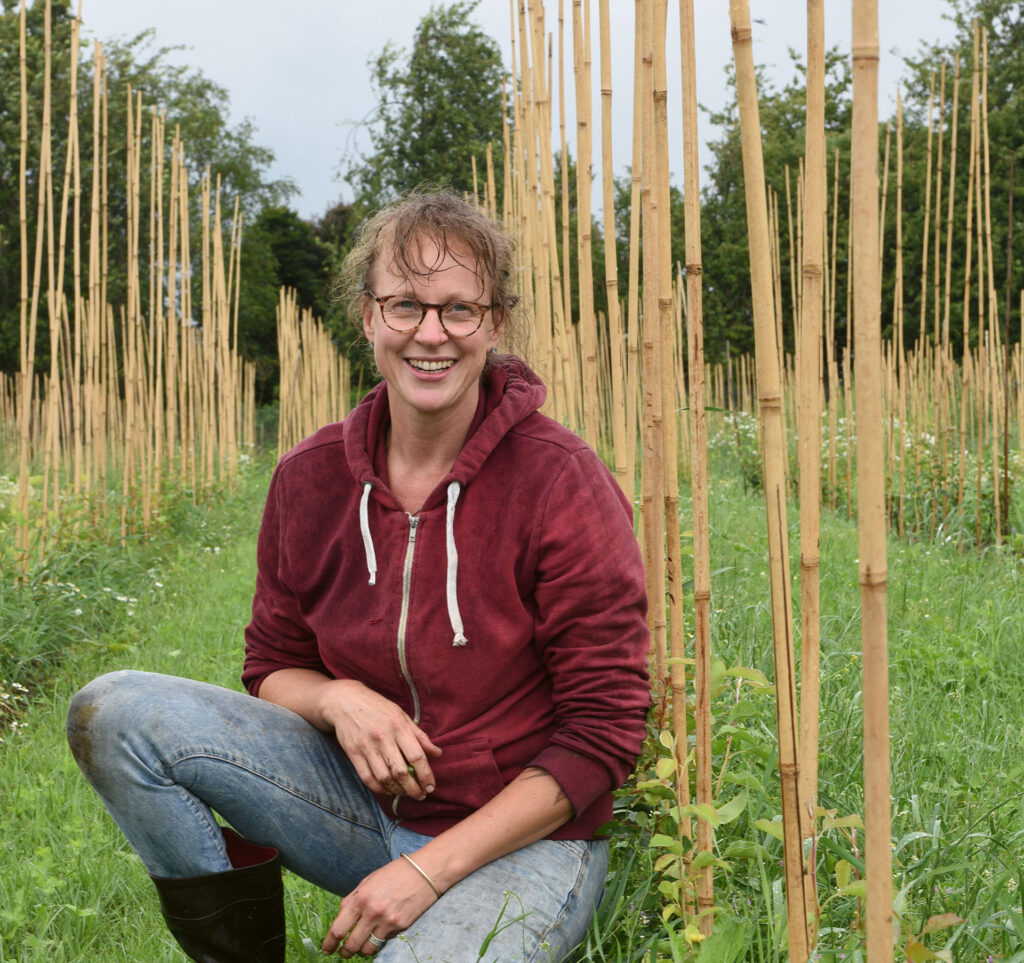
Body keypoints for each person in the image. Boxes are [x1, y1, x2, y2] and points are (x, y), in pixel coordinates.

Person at [67, 191, 650, 962]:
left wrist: (425, 871)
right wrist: (339, 698)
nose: (430, 334)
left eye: (458, 309)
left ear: (495, 323)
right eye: (404, 304)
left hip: (527, 841)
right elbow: (271, 663)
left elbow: (604, 730)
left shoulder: (560, 481)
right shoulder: (310, 478)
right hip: (357, 809)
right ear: (368, 315)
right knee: (114, 711)